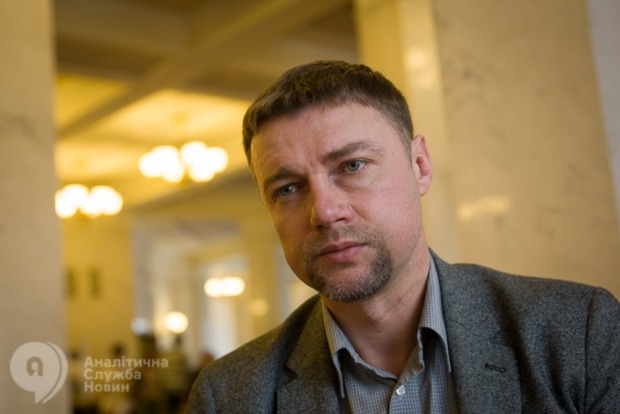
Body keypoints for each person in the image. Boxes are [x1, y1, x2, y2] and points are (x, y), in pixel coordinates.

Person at [186, 60, 620, 413]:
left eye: (352, 166)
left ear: (420, 167)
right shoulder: (229, 396)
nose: (325, 212)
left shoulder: (580, 334)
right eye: (287, 189)